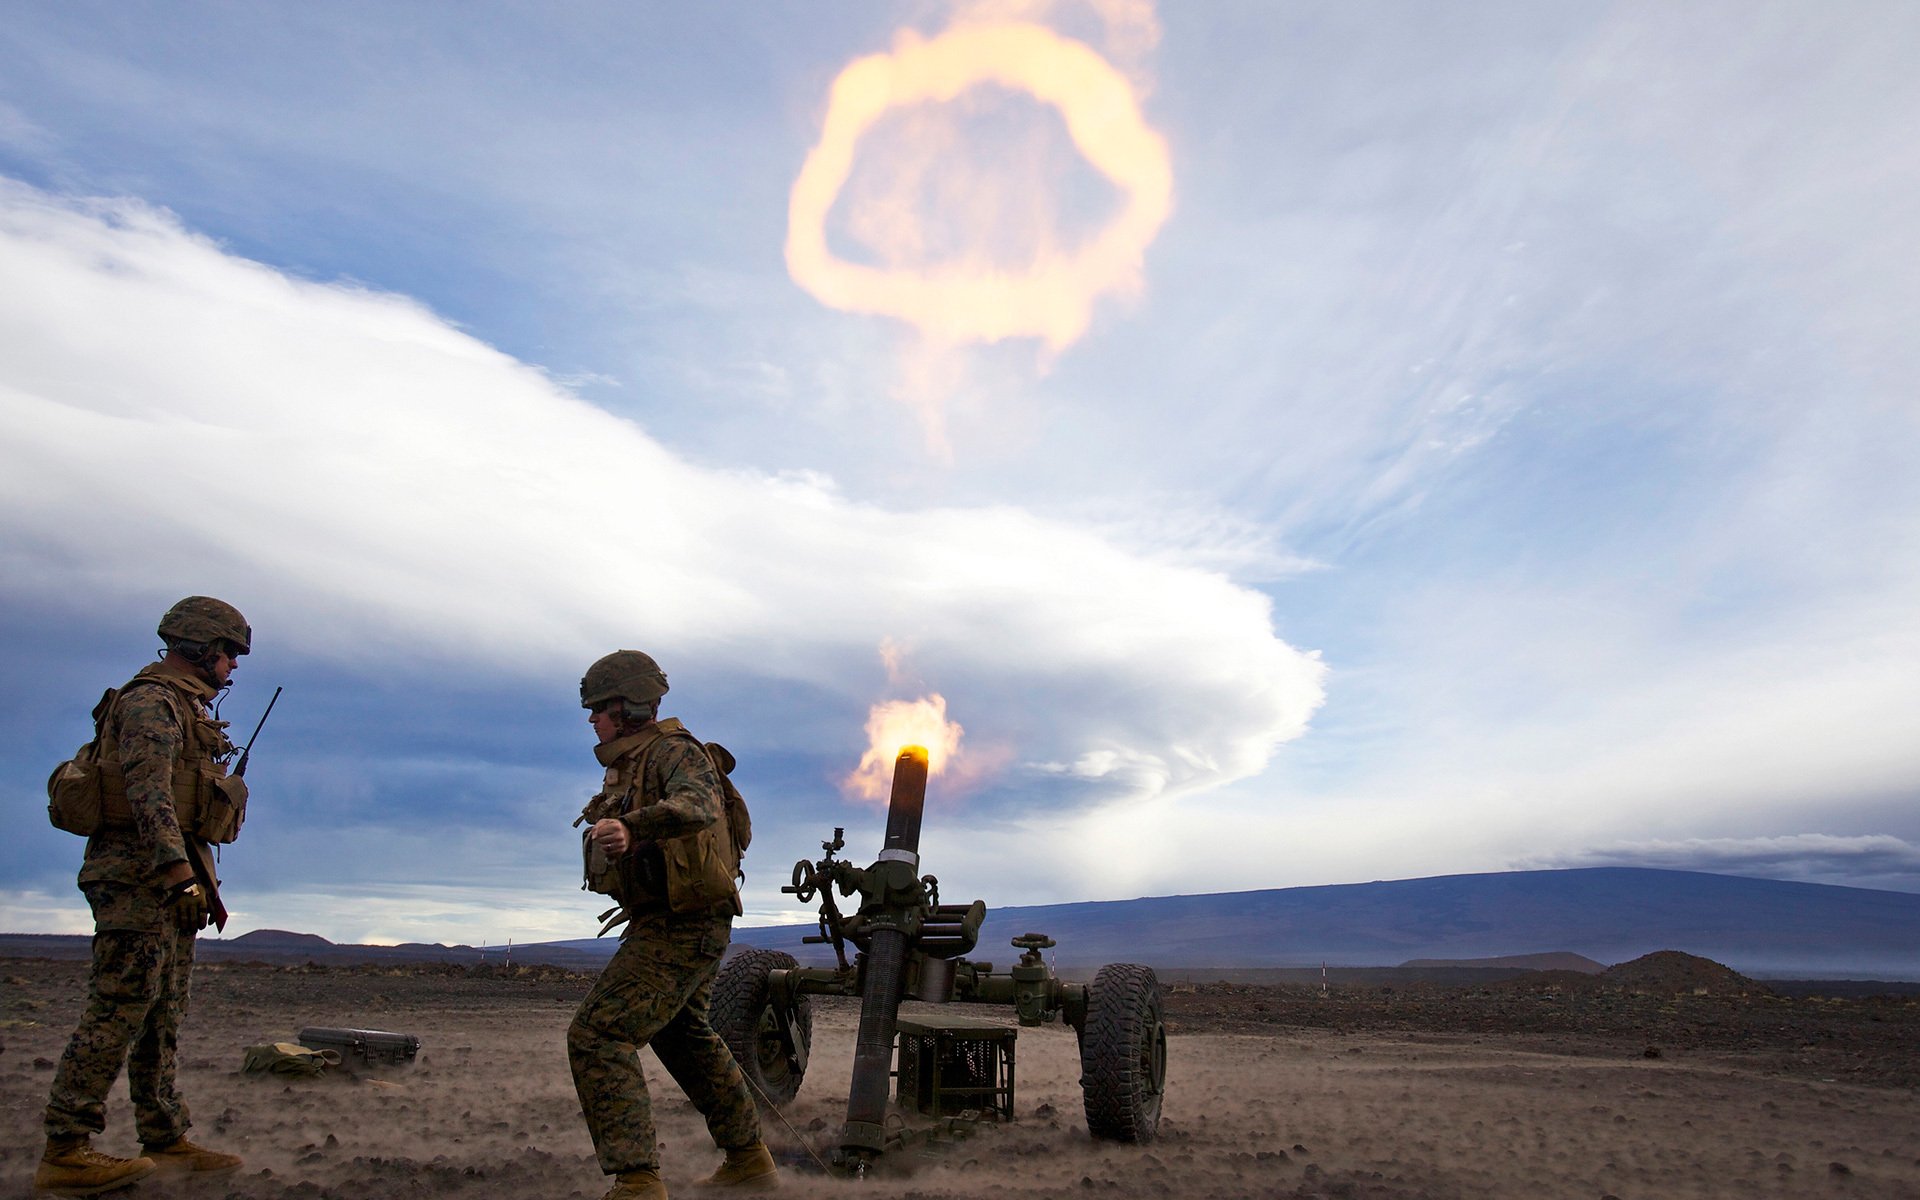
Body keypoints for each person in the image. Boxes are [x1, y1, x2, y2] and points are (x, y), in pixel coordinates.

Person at [36, 596, 252, 1196]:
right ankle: (66, 1149)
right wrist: (176, 875)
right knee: (119, 1007)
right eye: (229, 652)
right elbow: (148, 795)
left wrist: (191, 877)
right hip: (137, 879)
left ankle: (163, 1136)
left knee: (162, 1011)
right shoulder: (151, 703)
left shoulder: (185, 709)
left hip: (169, 878)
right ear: (202, 648)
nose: (233, 665)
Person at [570, 650, 776, 1200]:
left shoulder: (674, 753)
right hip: (672, 922)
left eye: (599, 709)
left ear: (629, 706)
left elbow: (698, 805)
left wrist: (631, 828)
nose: (592, 720)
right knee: (683, 1035)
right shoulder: (634, 763)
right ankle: (749, 1159)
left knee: (599, 1034)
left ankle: (638, 1181)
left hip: (683, 925)